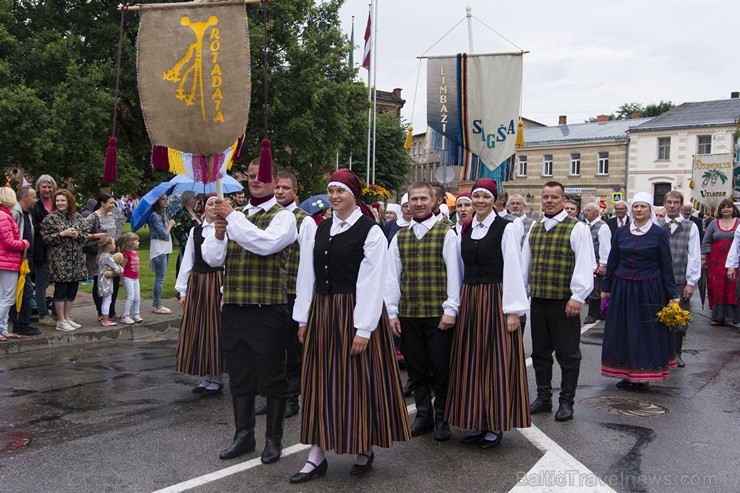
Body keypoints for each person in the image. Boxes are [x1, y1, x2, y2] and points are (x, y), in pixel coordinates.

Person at [289, 168, 410, 484]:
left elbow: (373, 281)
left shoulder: (370, 231)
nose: (334, 196)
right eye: (331, 190)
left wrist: (364, 328)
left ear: (354, 195)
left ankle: (363, 448)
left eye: (340, 191)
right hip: (324, 313)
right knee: (320, 382)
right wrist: (303, 317)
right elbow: (307, 275)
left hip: (355, 313)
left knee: (356, 382)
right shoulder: (319, 228)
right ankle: (316, 455)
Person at [202, 158, 297, 464]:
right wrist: (216, 232)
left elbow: (265, 244)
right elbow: (214, 260)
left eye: (262, 177)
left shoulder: (284, 217)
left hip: (267, 308)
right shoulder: (237, 215)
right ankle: (244, 435)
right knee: (240, 376)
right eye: (252, 177)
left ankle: (274, 439)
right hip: (235, 307)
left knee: (272, 377)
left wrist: (232, 219)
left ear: (274, 180)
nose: (255, 181)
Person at [444, 178, 530, 448]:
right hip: (471, 299)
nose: (480, 201)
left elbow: (513, 268)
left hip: (495, 298)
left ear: (496, 200)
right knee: (471, 361)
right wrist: (455, 304)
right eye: (476, 196)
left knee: (495, 361)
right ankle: (478, 419)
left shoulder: (507, 228)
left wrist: (513, 310)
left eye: (485, 197)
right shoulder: (466, 229)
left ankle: (495, 423)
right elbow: (458, 268)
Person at [385, 182, 461, 442]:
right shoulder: (400, 236)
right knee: (416, 368)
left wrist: (451, 309)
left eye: (423, 199)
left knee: (441, 367)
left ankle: (442, 417)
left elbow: (454, 274)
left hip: (438, 314)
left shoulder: (447, 233)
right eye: (414, 199)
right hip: (409, 314)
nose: (418, 203)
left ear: (434, 202)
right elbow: (392, 277)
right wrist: (392, 312)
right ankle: (424, 416)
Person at [522, 181, 595, 422]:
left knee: (568, 354)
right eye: (546, 197)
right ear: (541, 200)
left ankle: (566, 401)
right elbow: (526, 264)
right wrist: (523, 292)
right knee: (540, 353)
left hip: (565, 301)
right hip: (540, 299)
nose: (550, 201)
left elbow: (585, 264)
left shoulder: (577, 228)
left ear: (564, 200)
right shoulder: (535, 227)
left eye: (555, 197)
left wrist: (577, 297)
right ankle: (544, 398)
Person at [601, 192, 678, 390]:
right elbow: (613, 261)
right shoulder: (622, 232)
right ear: (631, 209)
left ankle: (643, 375)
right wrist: (606, 288)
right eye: (636, 206)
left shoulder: (658, 234)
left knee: (645, 332)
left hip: (649, 289)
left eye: (643, 207)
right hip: (623, 288)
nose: (639, 210)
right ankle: (626, 372)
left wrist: (672, 295)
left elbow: (666, 265)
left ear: (649, 210)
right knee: (623, 331)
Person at [263, 170, 317, 417]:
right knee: (270, 348)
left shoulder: (304, 220)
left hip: (294, 292)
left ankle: (293, 397)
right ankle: (273, 396)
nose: (280, 192)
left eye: (285, 188)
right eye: (277, 188)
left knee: (293, 348)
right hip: (268, 293)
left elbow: (309, 259)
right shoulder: (267, 216)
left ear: (295, 191)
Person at [175, 196, 225, 396]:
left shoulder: (225, 231)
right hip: (198, 282)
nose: (213, 207)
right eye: (210, 204)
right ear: (204, 208)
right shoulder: (195, 231)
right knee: (199, 328)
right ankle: (207, 376)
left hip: (216, 281)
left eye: (217, 204)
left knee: (215, 328)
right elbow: (188, 260)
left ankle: (218, 377)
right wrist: (183, 290)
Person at [40, 188, 88, 332]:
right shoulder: (51, 218)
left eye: (63, 200)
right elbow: (45, 238)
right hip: (59, 259)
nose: (60, 203)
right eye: (58, 200)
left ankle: (67, 317)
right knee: (61, 289)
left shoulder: (78, 217)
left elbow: (86, 236)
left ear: (69, 201)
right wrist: (62, 234)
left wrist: (77, 235)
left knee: (72, 288)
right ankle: (60, 320)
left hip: (76, 259)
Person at [663, 191, 700, 368]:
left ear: (681, 205)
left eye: (676, 202)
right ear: (664, 204)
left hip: (680, 278)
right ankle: (660, 351)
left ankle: (676, 352)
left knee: (678, 318)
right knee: (657, 315)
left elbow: (694, 255)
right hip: (658, 279)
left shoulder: (690, 226)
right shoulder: (656, 224)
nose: (672, 205)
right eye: (669, 202)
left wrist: (691, 282)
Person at [701, 199, 740, 326]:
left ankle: (735, 316)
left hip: (734, 261)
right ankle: (718, 316)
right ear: (720, 210)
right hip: (716, 261)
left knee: (733, 287)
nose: (726, 209)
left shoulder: (739, 223)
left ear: (734, 209)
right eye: (724, 207)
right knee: (717, 286)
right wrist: (704, 257)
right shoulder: (713, 224)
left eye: (729, 207)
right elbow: (706, 241)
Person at [0, 187, 31, 342]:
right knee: (8, 297)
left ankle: (4, 329)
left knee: (3, 296)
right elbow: (9, 242)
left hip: (4, 261)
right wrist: (23, 243)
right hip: (7, 261)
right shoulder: (4, 217)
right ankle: (1, 328)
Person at [9, 186, 40, 336]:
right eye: (33, 197)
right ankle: (20, 324)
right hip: (19, 258)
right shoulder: (16, 213)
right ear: (24, 198)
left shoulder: (27, 213)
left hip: (27, 258)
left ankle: (21, 322)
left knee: (25, 291)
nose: (36, 200)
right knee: (24, 291)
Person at [86, 194, 122, 321]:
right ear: (102, 203)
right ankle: (101, 313)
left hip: (111, 254)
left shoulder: (113, 216)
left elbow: (118, 232)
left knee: (114, 282)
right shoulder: (93, 217)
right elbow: (83, 234)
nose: (113, 205)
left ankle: (111, 311)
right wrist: (96, 236)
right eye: (111, 203)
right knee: (99, 282)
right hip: (97, 256)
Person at [32, 175, 57, 327]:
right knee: (41, 284)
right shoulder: (35, 205)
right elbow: (32, 227)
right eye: (44, 187)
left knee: (60, 282)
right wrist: (47, 225)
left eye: (49, 187)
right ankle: (43, 314)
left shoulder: (57, 203)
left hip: (57, 250)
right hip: (41, 250)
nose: (47, 190)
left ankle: (57, 312)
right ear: (39, 188)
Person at [582, 202, 611, 325]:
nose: (585, 212)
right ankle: (597, 312)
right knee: (591, 288)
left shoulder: (602, 226)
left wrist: (603, 264)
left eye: (588, 210)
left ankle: (593, 314)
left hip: (598, 262)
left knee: (596, 288)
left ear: (596, 213)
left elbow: (605, 246)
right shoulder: (585, 226)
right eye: (585, 210)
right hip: (587, 261)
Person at [148, 194, 175, 314]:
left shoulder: (163, 214)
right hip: (159, 249)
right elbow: (164, 235)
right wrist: (170, 225)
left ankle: (157, 303)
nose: (165, 201)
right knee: (160, 279)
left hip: (165, 248)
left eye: (166, 199)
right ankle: (156, 305)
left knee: (161, 278)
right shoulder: (154, 216)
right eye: (162, 199)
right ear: (157, 201)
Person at [172, 190, 202, 278]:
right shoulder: (181, 213)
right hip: (188, 246)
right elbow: (178, 230)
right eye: (194, 198)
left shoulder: (196, 213)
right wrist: (186, 244)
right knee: (186, 268)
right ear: (187, 200)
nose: (196, 200)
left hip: (199, 244)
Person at [117, 233, 143, 325]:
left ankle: (136, 314)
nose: (138, 242)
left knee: (137, 297)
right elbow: (122, 267)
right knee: (131, 297)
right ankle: (125, 316)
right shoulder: (127, 255)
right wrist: (121, 279)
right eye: (136, 241)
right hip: (128, 278)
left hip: (136, 278)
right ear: (130, 243)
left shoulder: (136, 253)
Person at [96, 237, 123, 327]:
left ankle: (104, 318)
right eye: (113, 243)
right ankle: (105, 320)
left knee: (105, 300)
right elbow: (117, 269)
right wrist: (120, 268)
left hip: (101, 280)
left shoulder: (101, 255)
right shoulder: (108, 257)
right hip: (106, 282)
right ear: (108, 246)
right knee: (107, 300)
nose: (115, 245)